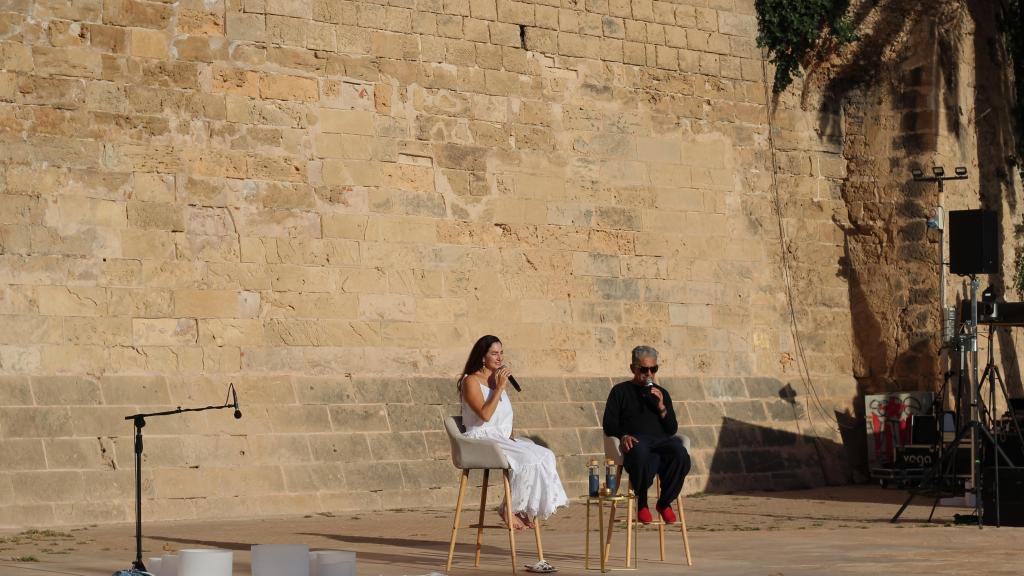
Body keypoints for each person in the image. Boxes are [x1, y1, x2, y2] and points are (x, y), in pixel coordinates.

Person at [459, 335, 568, 531]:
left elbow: (504, 417)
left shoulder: (496, 380)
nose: (499, 358)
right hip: (480, 439)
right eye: (494, 353)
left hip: (500, 438)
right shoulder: (471, 381)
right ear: (482, 357)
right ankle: (509, 508)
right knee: (527, 458)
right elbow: (485, 415)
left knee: (545, 455)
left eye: (501, 353)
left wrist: (511, 437)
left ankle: (520, 507)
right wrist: (499, 388)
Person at [602, 345, 691, 524]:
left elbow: (672, 428)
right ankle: (642, 502)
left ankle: (664, 502)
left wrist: (661, 407)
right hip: (636, 440)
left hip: (661, 441)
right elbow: (609, 423)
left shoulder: (661, 393)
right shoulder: (620, 392)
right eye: (644, 369)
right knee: (641, 451)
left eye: (653, 369)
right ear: (633, 368)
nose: (649, 373)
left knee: (680, 454)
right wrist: (623, 436)